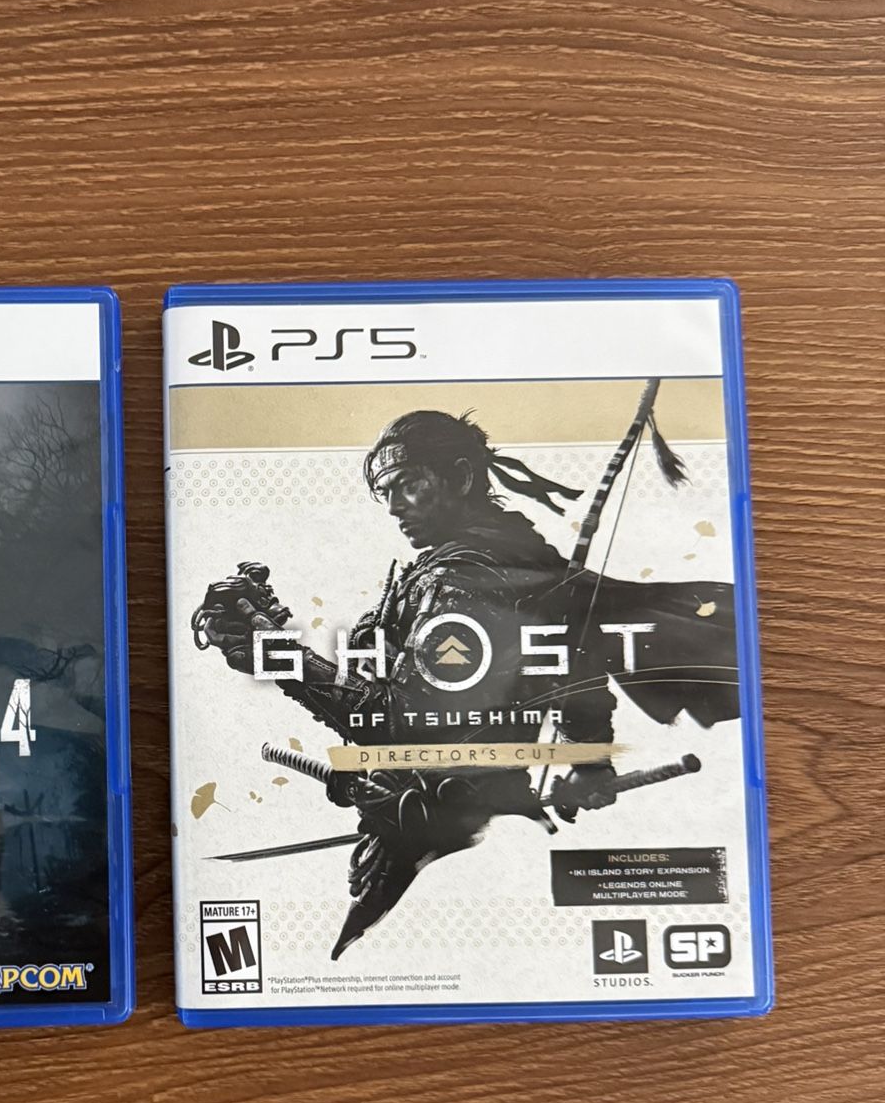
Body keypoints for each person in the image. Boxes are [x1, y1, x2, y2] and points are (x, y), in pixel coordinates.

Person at [194, 407, 736, 955]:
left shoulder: (464, 578)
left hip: (448, 827)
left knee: (367, 956)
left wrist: (278, 656)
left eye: (408, 484)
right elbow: (572, 658)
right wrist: (587, 759)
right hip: (432, 816)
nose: (394, 507)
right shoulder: (518, 561)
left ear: (459, 476)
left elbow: (402, 724)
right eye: (386, 493)